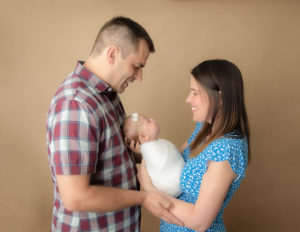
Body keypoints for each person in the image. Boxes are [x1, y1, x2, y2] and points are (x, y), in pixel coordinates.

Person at [46, 16, 182, 231]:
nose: (139, 77)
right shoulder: (76, 105)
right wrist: (144, 198)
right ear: (112, 54)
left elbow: (112, 159)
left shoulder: (106, 95)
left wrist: (156, 152)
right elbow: (76, 197)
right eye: (137, 66)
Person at [137, 59, 250, 231]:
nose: (188, 99)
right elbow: (173, 162)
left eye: (195, 93)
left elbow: (200, 220)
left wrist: (149, 189)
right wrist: (145, 148)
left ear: (219, 98)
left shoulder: (227, 150)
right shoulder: (203, 128)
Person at [122, 113, 185, 197]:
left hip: (178, 182)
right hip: (173, 187)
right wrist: (142, 149)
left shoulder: (153, 146)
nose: (152, 118)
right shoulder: (149, 150)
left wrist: (141, 150)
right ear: (143, 136)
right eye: (148, 121)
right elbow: (150, 155)